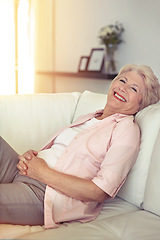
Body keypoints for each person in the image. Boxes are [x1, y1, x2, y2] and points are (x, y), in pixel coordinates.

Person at [0, 64, 160, 229]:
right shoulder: (90, 117)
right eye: (122, 80)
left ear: (142, 103)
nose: (123, 88)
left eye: (133, 89)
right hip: (24, 171)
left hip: (44, 194)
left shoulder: (126, 130)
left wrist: (43, 172)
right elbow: (61, 152)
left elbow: (99, 191)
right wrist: (32, 157)